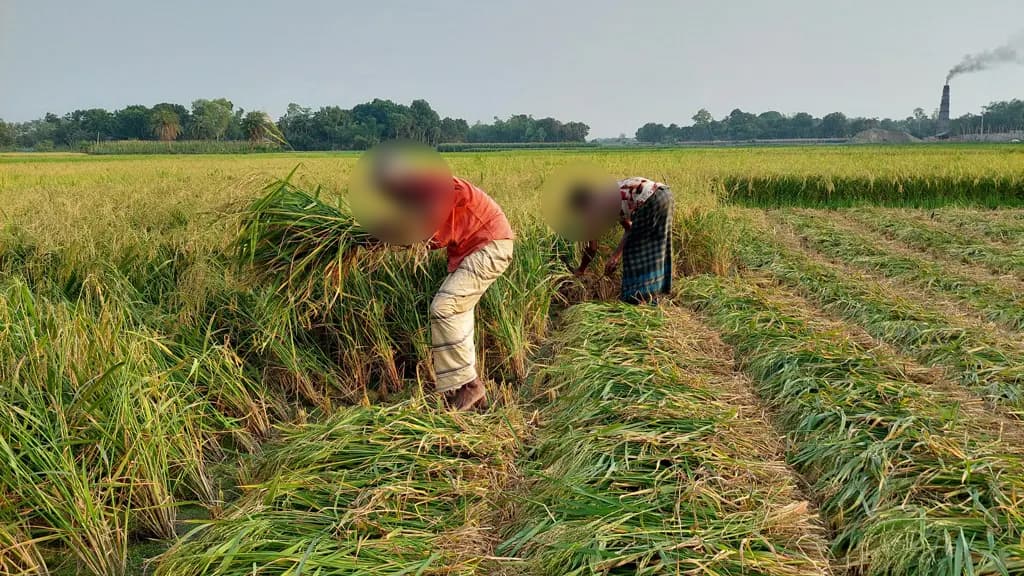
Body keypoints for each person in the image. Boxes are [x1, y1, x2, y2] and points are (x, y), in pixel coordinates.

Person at [361, 157, 514, 411]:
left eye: (390, 188)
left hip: (490, 246)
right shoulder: (419, 195)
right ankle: (477, 397)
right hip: (480, 249)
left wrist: (386, 235)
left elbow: (428, 228)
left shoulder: (433, 186)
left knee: (444, 307)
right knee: (458, 312)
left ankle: (471, 385)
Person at [573, 177, 673, 303]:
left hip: (649, 200)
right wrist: (615, 257)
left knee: (634, 253)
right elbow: (629, 229)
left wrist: (581, 269)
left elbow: (591, 248)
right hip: (664, 194)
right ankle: (656, 296)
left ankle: (635, 300)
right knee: (656, 248)